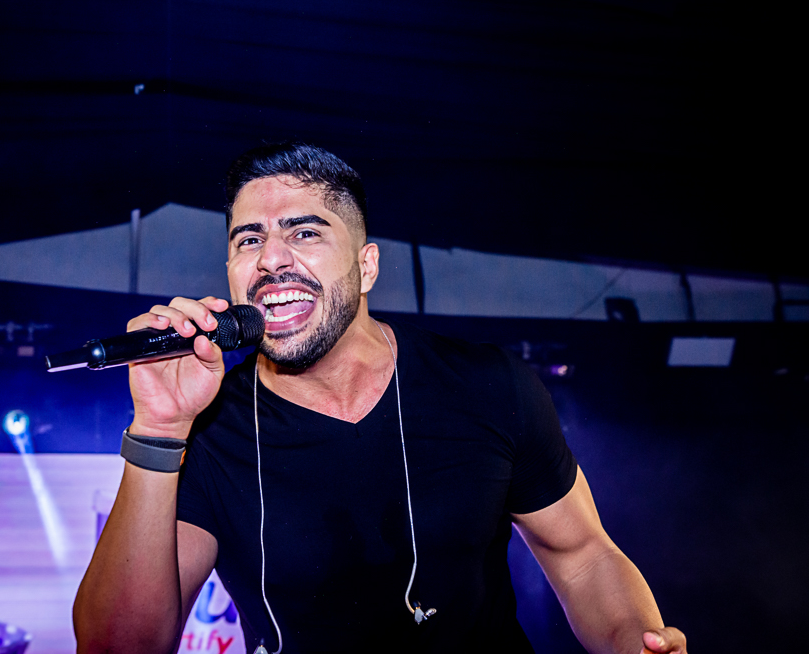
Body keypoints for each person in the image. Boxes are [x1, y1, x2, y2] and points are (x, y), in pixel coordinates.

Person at [72, 142, 687, 654]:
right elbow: (117, 648)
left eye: (304, 232)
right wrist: (159, 428)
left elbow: (582, 556)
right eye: (248, 241)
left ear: (366, 267)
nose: (271, 259)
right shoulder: (209, 429)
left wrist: (634, 639)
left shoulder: (488, 385)